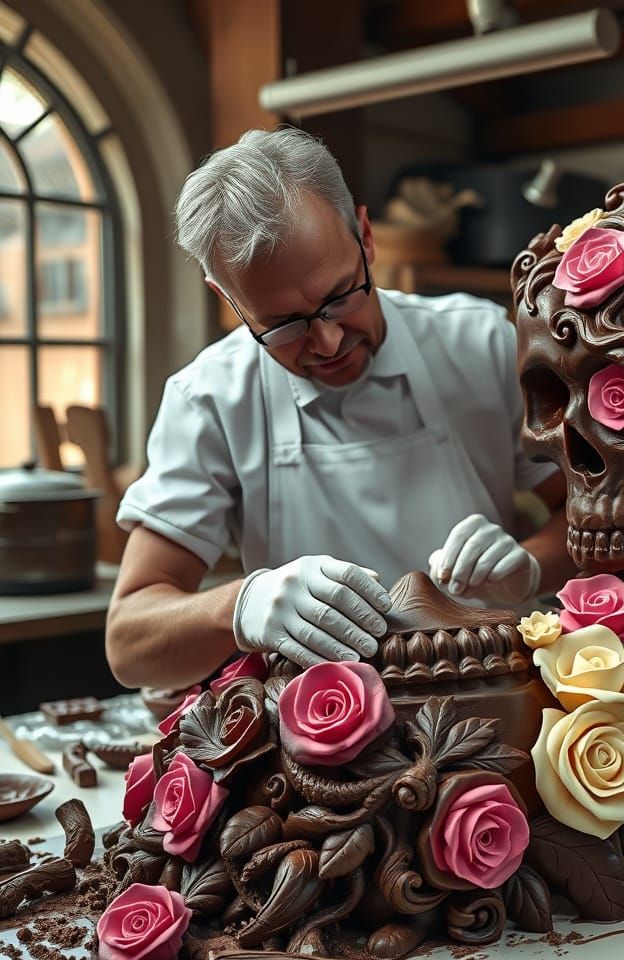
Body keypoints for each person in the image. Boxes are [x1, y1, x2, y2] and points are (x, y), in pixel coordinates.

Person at [106, 127, 570, 691]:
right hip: (320, 738)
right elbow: (129, 643)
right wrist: (241, 606)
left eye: (341, 296)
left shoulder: (478, 345)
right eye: (282, 326)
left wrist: (529, 567)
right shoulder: (208, 399)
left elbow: (590, 519)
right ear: (227, 300)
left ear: (366, 238)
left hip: (497, 698)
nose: (326, 342)